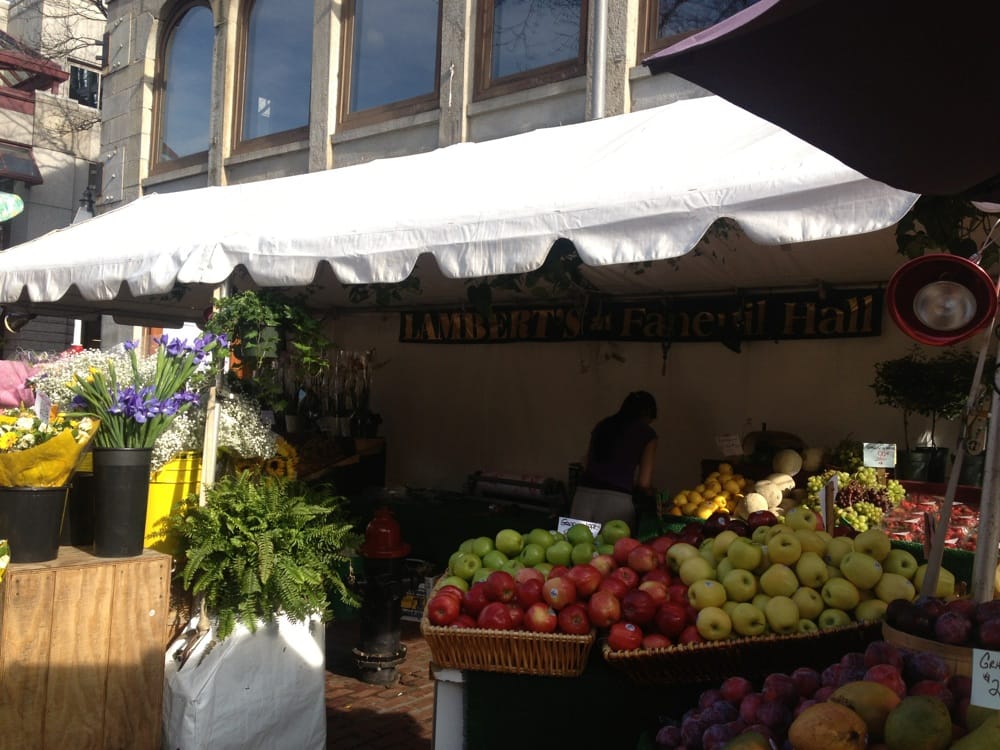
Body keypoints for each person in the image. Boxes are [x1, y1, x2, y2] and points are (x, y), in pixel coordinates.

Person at [570, 390, 658, 531]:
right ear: (648, 415)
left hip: (582, 497)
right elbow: (644, 482)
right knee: (611, 551)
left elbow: (585, 463)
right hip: (616, 503)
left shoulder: (602, 425)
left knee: (575, 549)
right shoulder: (648, 434)